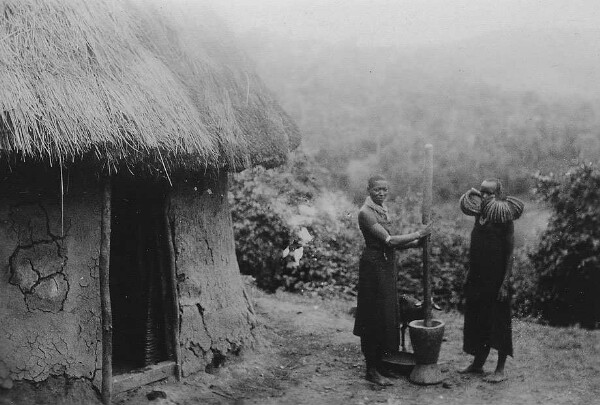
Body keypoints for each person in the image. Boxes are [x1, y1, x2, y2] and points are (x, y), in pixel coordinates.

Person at [353, 175, 433, 386]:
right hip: (373, 268)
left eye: (385, 190)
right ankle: (371, 370)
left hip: (386, 266)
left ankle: (381, 364)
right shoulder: (366, 213)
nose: (381, 193)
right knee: (372, 316)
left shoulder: (382, 209)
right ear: (368, 190)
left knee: (386, 316)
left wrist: (417, 242)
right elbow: (389, 240)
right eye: (377, 189)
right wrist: (418, 232)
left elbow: (392, 245)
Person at [459, 178, 523, 383]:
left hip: (496, 279)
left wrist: (505, 282)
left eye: (490, 193)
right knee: (478, 318)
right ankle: (478, 364)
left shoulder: (505, 219)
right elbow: (476, 247)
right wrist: (469, 271)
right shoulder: (479, 216)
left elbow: (510, 253)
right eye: (483, 192)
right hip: (478, 277)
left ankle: (500, 369)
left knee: (499, 319)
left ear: (499, 195)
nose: (485, 196)